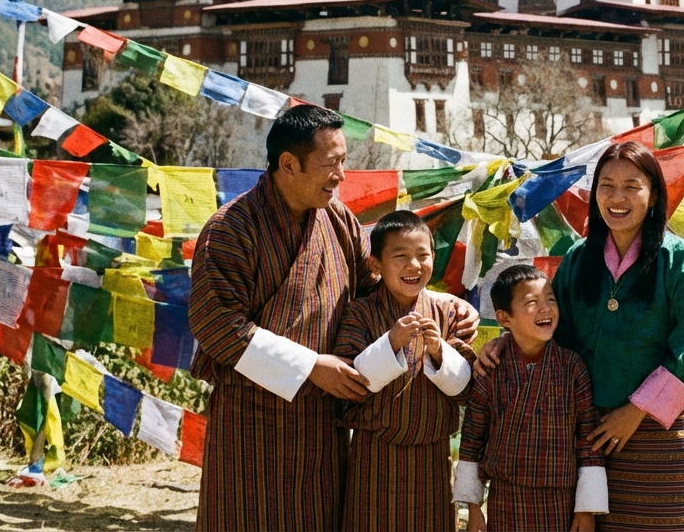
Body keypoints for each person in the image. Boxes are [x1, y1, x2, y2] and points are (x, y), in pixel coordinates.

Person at [189, 105, 477, 530]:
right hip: (253, 421)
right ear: (289, 164)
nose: (341, 175)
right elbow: (217, 326)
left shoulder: (337, 219)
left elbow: (376, 286)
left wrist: (445, 304)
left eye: (344, 161)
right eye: (332, 163)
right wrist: (310, 366)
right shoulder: (231, 229)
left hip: (323, 421)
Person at [476, 141, 684, 531]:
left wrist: (634, 412)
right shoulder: (578, 259)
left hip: (660, 435)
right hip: (590, 434)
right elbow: (552, 331)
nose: (617, 198)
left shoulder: (680, 260)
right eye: (607, 186)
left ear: (654, 196)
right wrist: (509, 340)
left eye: (632, 187)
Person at [335, 210, 476, 531]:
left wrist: (439, 351)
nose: (414, 265)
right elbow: (348, 386)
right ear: (375, 265)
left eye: (423, 255)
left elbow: (467, 388)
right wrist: (391, 343)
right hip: (374, 458)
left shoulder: (450, 312)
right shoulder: (359, 313)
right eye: (400, 256)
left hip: (433, 459)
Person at [453, 264, 608, 532]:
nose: (545, 308)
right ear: (504, 318)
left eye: (550, 299)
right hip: (505, 500)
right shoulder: (491, 368)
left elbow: (588, 440)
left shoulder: (572, 367)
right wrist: (473, 506)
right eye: (532, 302)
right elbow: (472, 436)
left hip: (561, 502)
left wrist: (586, 509)